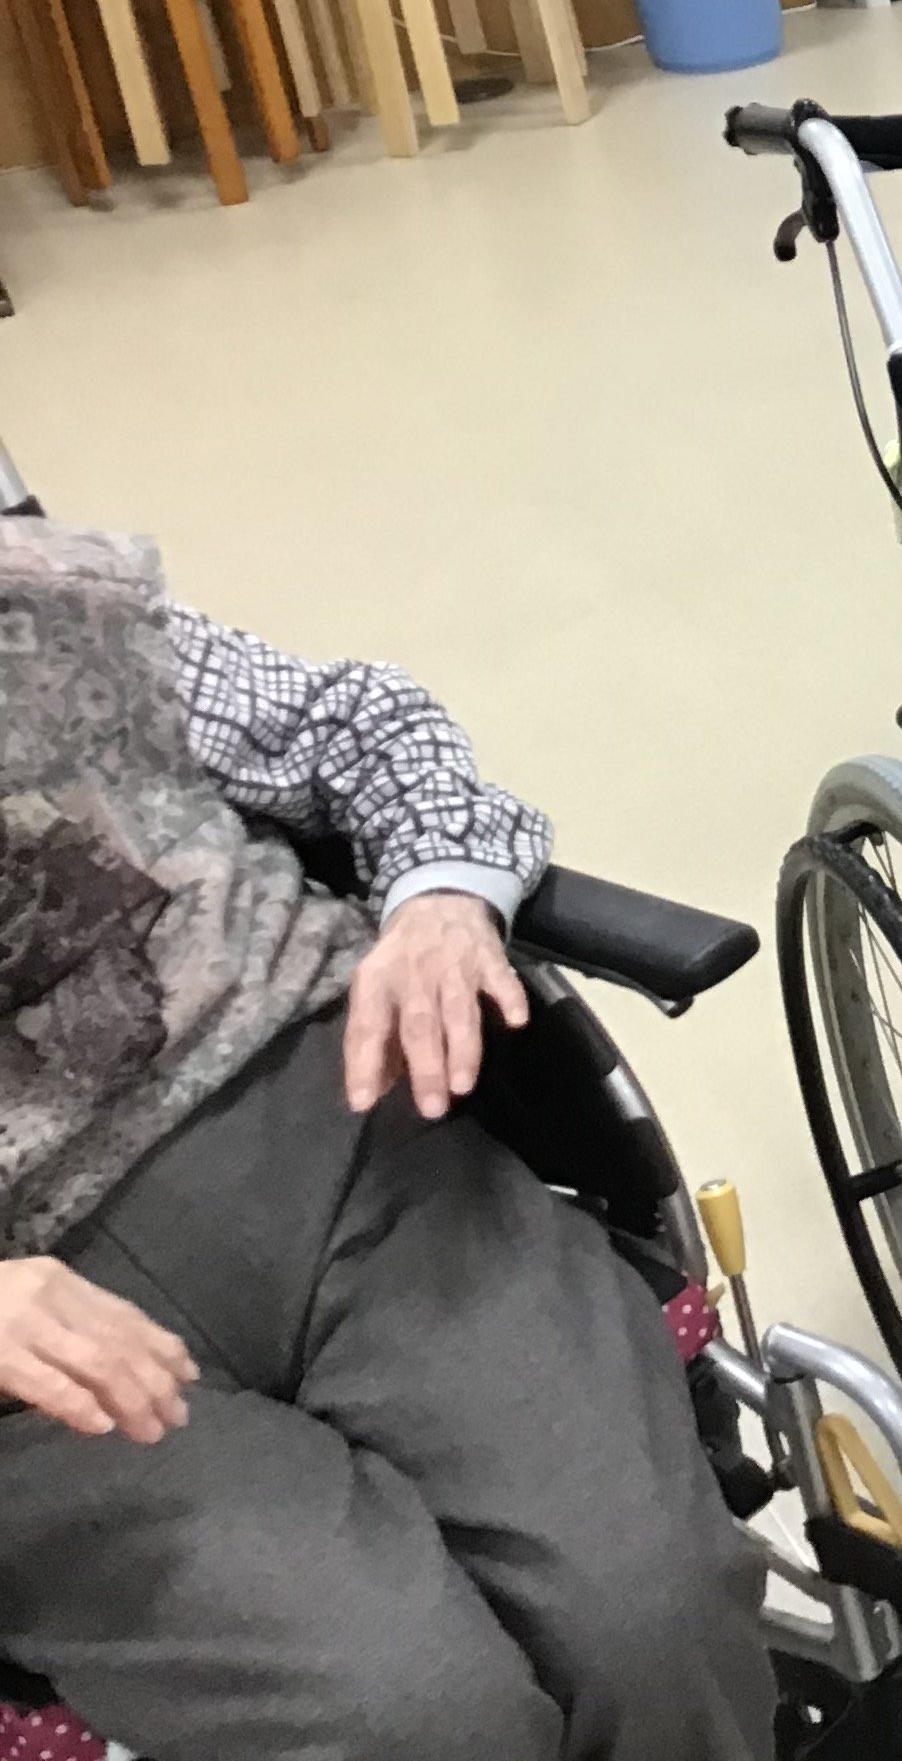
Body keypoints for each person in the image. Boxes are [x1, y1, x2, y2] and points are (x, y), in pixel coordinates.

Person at [0, 507, 772, 1760]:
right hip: (43, 1371)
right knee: (417, 1716)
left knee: (654, 1613)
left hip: (343, 1145)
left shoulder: (39, 609)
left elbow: (356, 725)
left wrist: (441, 903)